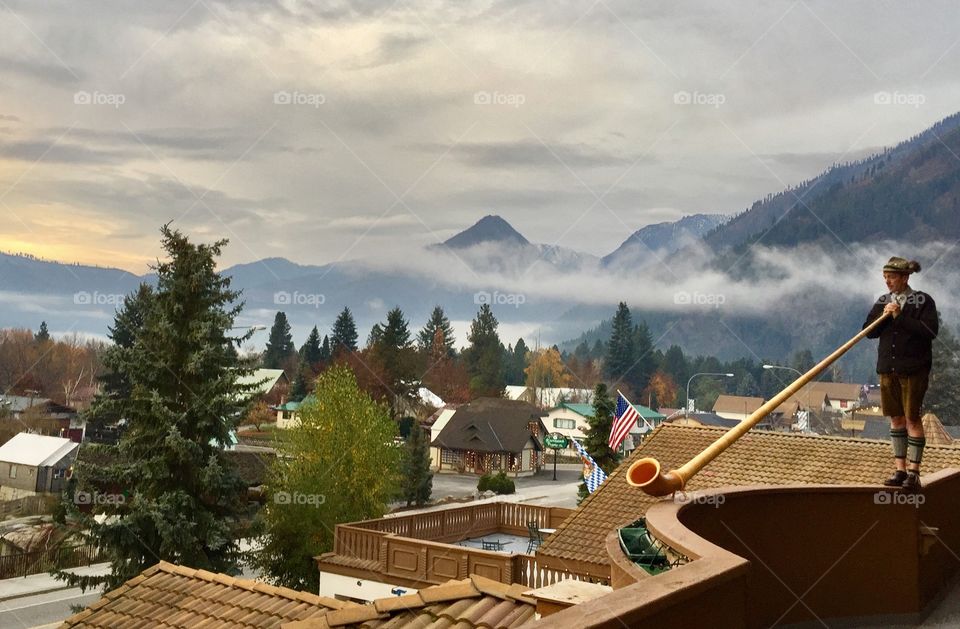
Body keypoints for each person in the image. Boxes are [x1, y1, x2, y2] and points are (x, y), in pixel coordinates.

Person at [863, 257, 938, 492]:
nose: (887, 282)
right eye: (885, 278)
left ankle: (914, 472)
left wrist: (900, 317)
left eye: (892, 277)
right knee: (895, 419)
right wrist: (882, 316)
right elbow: (868, 332)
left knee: (912, 418)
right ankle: (900, 469)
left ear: (905, 278)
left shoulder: (923, 301)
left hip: (913, 370)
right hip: (888, 369)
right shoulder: (883, 301)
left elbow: (929, 332)